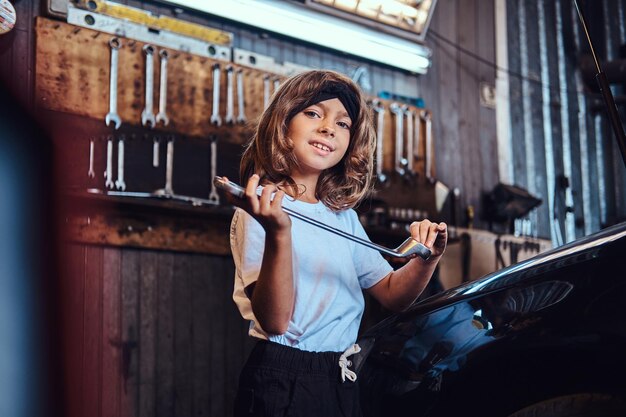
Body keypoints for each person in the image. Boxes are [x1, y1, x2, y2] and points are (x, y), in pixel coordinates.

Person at [227, 69, 447, 417]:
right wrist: (279, 232)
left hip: (339, 375)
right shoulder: (261, 208)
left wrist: (427, 258)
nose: (329, 127)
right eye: (313, 113)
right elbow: (275, 322)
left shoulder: (342, 217)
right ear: (282, 125)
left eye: (343, 123)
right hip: (284, 378)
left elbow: (392, 293)